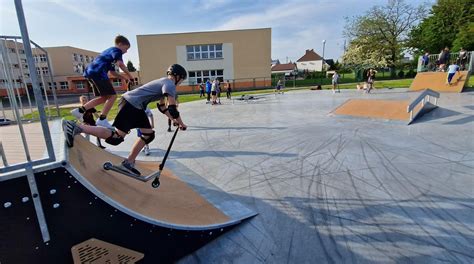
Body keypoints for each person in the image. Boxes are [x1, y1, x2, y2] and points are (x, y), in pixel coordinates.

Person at [63, 64, 188, 176]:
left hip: (135, 106)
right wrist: (181, 123)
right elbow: (172, 108)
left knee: (148, 134)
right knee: (116, 137)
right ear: (177, 76)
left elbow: (162, 107)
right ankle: (77, 127)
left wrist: (174, 120)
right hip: (131, 104)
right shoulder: (170, 84)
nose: (180, 83)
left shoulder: (165, 83)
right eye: (181, 80)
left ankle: (128, 163)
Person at [71, 35, 134, 129]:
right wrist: (130, 76)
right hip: (98, 73)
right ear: (120, 44)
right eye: (126, 48)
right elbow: (121, 64)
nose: (126, 51)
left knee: (104, 97)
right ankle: (102, 120)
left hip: (91, 73)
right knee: (113, 96)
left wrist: (124, 78)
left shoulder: (109, 54)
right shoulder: (117, 51)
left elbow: (112, 72)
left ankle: (79, 111)